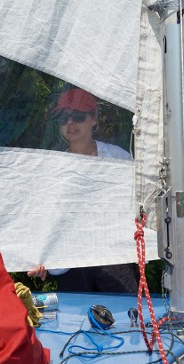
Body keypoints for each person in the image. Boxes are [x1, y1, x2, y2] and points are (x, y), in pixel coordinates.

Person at [27, 88, 138, 292]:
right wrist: (38, 258)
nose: (70, 123)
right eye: (63, 118)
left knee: (126, 317)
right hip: (70, 260)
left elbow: (140, 204)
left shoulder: (118, 159)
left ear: (94, 119)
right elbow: (42, 219)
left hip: (113, 257)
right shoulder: (53, 168)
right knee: (75, 322)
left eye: (78, 116)